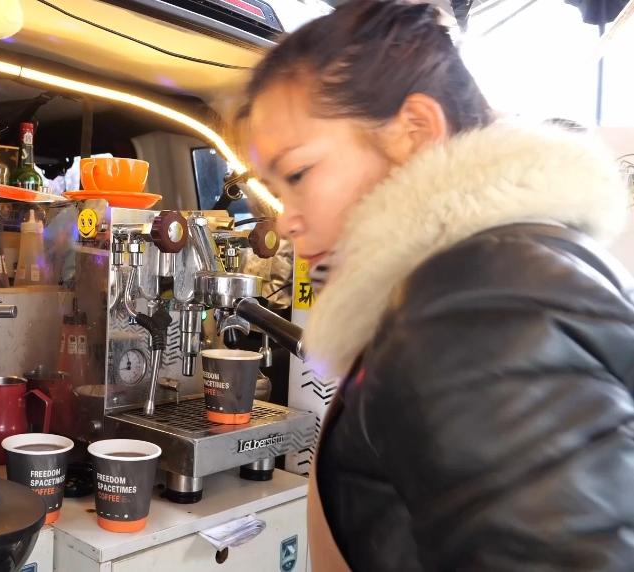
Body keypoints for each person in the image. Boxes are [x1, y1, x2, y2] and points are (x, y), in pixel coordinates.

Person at [242, 1, 634, 570]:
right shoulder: (508, 266)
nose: (284, 220)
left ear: (416, 130)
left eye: (299, 174)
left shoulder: (476, 306)